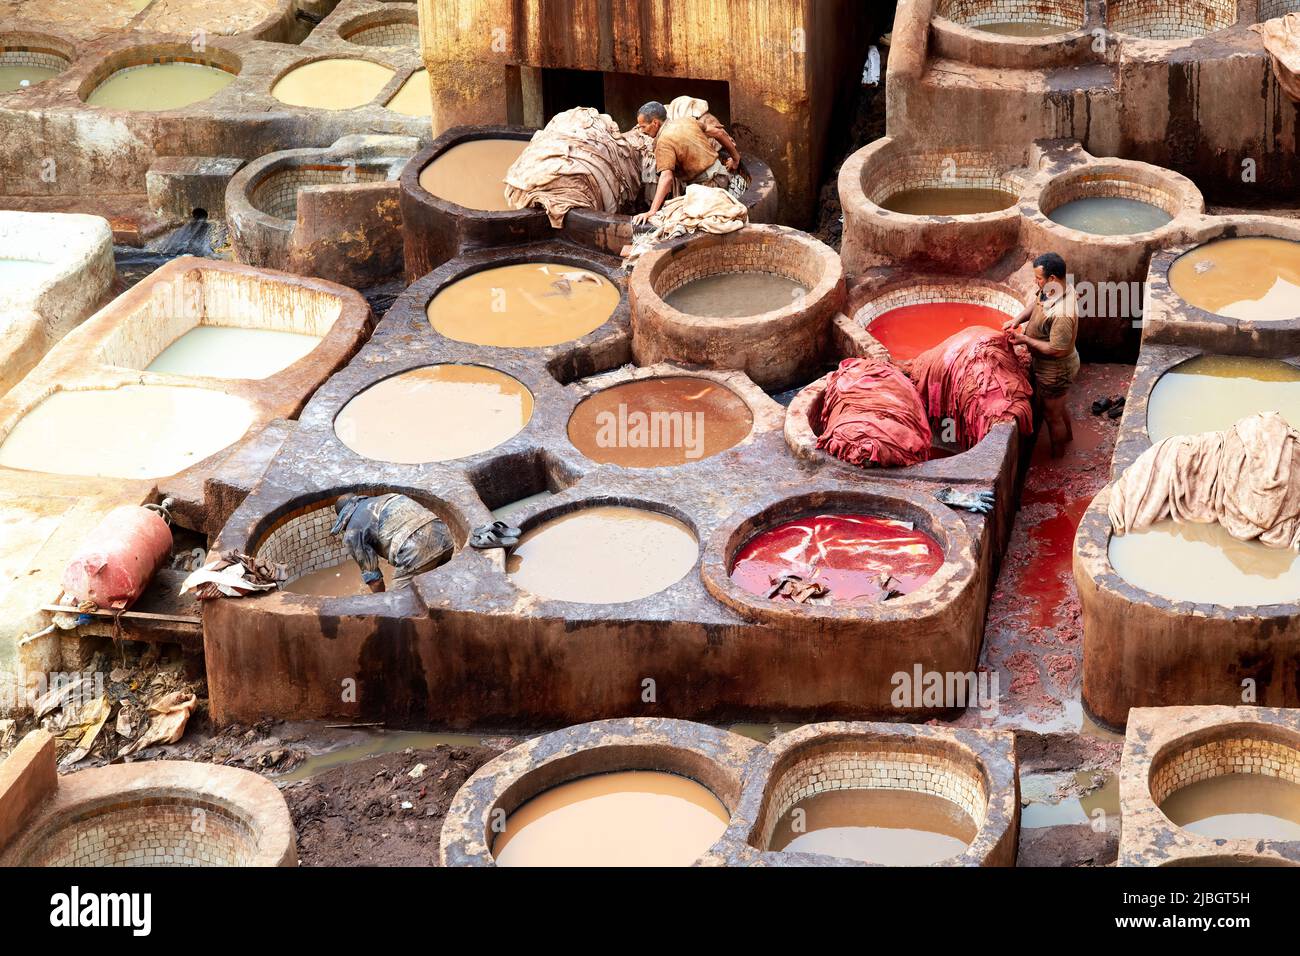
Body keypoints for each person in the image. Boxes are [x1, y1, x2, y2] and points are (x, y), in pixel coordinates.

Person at [1004, 252, 1081, 458]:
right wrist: (1017, 320)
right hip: (1050, 365)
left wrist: (1025, 340)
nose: (1036, 282)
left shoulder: (1062, 313)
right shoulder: (1051, 289)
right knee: (1058, 406)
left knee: (1051, 415)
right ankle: (1068, 438)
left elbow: (1057, 350)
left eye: (1038, 278)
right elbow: (1036, 304)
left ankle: (1059, 457)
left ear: (1053, 279)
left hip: (1056, 370)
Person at [631, 100, 742, 223]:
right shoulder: (687, 121)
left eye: (643, 127)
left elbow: (666, 177)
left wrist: (652, 211)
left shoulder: (663, 142)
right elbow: (719, 132)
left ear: (655, 123)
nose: (641, 131)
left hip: (707, 187)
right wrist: (735, 159)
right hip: (722, 176)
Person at [330, 493, 454, 593]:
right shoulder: (388, 497)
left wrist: (381, 603)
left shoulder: (353, 530)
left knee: (396, 604)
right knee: (442, 589)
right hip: (445, 534)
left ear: (343, 519)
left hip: (416, 549)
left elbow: (374, 579)